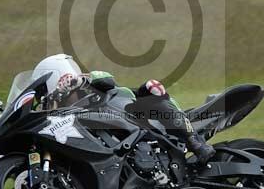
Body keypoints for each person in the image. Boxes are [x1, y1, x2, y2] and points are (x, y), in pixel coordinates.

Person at [32, 54, 216, 163]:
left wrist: (80, 80)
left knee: (151, 87)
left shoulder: (90, 85)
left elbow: (107, 79)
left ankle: (194, 140)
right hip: (118, 149)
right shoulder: (60, 113)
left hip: (137, 115)